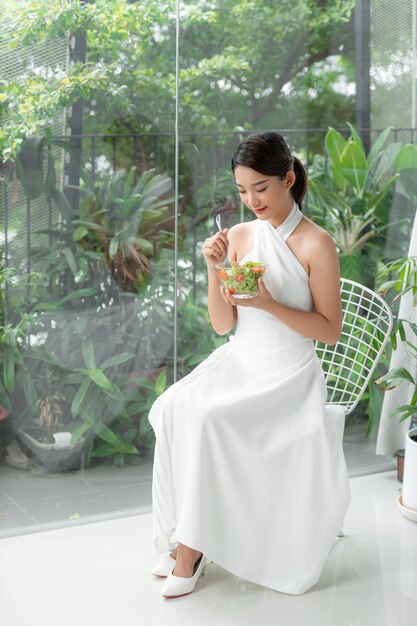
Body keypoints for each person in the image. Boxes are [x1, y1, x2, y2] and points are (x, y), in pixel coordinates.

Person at [148, 131, 351, 599]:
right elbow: (223, 325)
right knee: (174, 404)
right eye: (242, 191)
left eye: (261, 188)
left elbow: (329, 330)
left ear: (288, 177)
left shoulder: (315, 244)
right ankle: (190, 534)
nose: (251, 200)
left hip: (289, 376)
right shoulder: (239, 236)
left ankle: (191, 550)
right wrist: (214, 268)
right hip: (240, 361)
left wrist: (266, 302)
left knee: (210, 418)